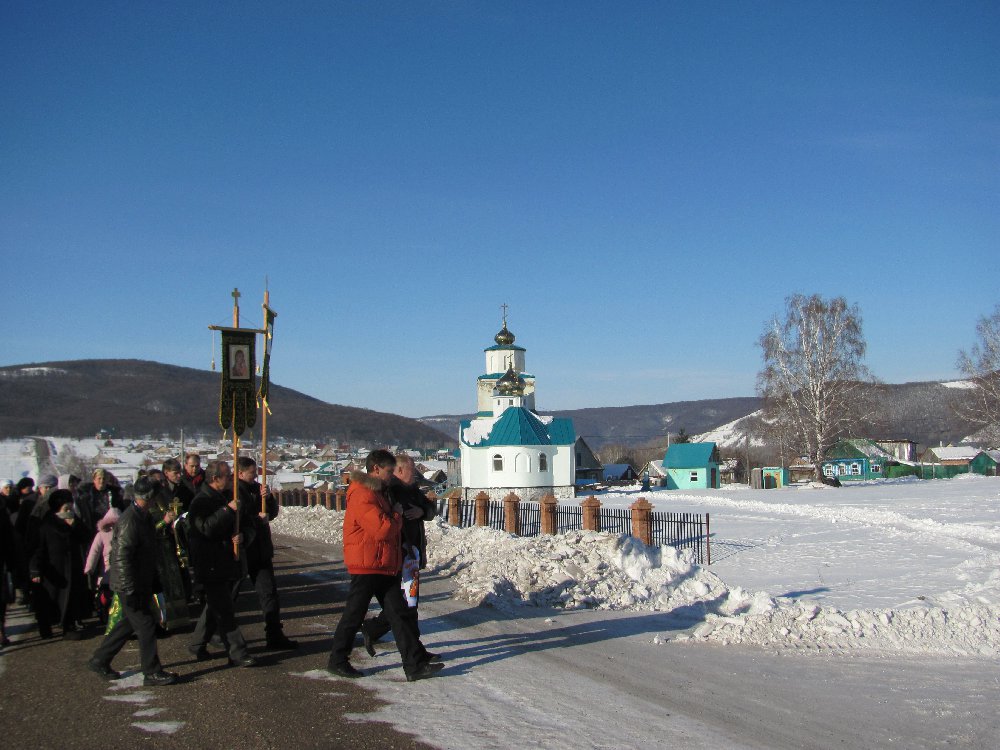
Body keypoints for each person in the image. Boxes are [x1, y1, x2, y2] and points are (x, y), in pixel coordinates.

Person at [326, 450, 443, 682]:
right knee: (354, 614)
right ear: (376, 468)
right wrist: (397, 515)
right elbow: (382, 529)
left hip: (382, 562)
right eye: (389, 471)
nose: (391, 476)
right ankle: (337, 660)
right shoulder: (362, 493)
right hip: (367, 564)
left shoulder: (379, 491)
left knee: (399, 614)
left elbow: (417, 511)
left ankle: (414, 664)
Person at [88, 477, 177, 686]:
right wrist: (129, 587)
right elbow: (121, 557)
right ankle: (151, 672)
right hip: (130, 583)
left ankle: (100, 659)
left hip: (139, 580)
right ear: (149, 497)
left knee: (129, 623)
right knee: (146, 625)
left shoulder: (142, 516)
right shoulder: (131, 520)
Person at [361, 454, 437, 661]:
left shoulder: (412, 489)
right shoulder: (391, 491)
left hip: (412, 555)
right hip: (400, 555)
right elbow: (386, 522)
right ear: (401, 470)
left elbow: (432, 509)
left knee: (408, 603)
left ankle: (375, 630)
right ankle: (414, 651)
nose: (416, 474)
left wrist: (421, 511)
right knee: (406, 604)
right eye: (413, 469)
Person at [186, 460, 256, 667]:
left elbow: (247, 523)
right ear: (215, 479)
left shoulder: (228, 497)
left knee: (215, 606)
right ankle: (237, 652)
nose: (231, 478)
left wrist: (243, 536)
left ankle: (197, 644)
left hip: (227, 560)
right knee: (224, 609)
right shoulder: (201, 501)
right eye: (227, 475)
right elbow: (205, 528)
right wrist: (227, 511)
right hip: (210, 562)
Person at [235, 457, 297, 650]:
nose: (255, 476)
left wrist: (268, 498)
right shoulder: (234, 491)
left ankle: (274, 634)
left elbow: (272, 513)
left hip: (260, 548)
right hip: (242, 549)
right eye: (252, 473)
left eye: (256, 472)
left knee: (268, 593)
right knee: (229, 595)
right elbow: (237, 518)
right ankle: (209, 635)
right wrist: (256, 519)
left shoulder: (257, 488)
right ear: (240, 473)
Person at [30, 489, 90, 639]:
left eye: (70, 507)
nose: (69, 511)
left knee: (70, 598)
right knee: (49, 600)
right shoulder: (47, 524)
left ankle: (68, 626)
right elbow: (38, 548)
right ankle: (46, 626)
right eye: (65, 508)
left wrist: (74, 525)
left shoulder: (74, 520)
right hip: (53, 570)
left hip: (71, 568)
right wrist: (35, 569)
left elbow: (86, 537)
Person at [84, 506, 119, 626]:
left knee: (111, 598)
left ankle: (111, 619)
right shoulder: (102, 534)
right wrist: (89, 568)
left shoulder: (105, 534)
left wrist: (89, 568)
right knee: (109, 598)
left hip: (112, 573)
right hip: (110, 573)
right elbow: (94, 552)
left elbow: (94, 552)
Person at [76, 469, 124, 540]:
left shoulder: (115, 494)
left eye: (104, 478)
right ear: (94, 480)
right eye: (99, 478)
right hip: (91, 529)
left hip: (109, 530)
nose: (102, 481)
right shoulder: (85, 496)